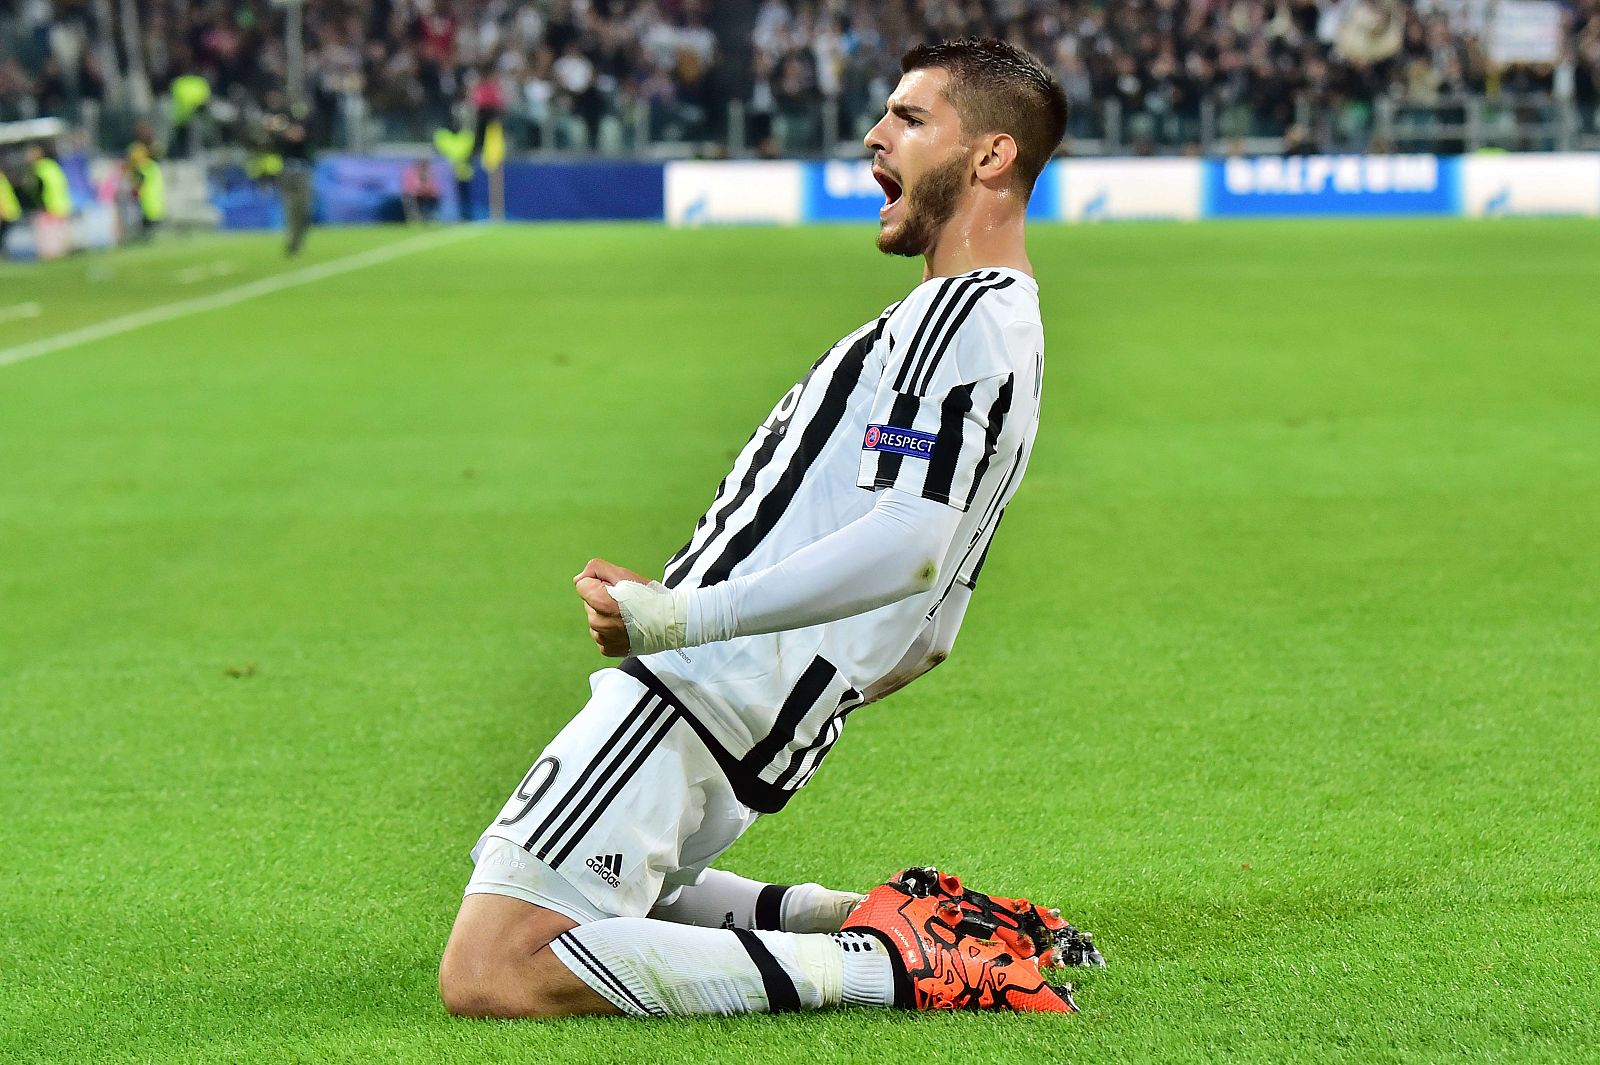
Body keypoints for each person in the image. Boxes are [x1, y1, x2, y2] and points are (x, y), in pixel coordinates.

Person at [440, 37, 1088, 1022]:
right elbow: (936, 623)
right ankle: (863, 918)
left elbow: (909, 543)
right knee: (622, 893)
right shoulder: (1012, 331)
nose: (876, 135)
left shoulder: (954, 313)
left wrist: (678, 621)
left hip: (690, 693)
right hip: (747, 716)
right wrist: (803, 696)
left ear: (992, 157)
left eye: (911, 119)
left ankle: (895, 967)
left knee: (497, 965)